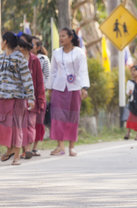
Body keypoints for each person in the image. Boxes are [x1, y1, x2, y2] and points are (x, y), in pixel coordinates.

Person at [0, 31, 35, 166]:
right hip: (3, 98)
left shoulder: (19, 58)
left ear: (5, 42)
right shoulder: (1, 58)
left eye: (2, 41)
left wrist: (30, 98)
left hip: (17, 98)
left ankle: (16, 156)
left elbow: (27, 78)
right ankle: (9, 150)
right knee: (1, 126)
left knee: (16, 127)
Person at [49, 28, 89, 156]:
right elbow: (53, 71)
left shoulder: (79, 53)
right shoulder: (56, 53)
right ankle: (60, 146)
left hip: (74, 88)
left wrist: (84, 87)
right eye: (60, 36)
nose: (60, 38)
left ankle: (72, 146)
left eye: (63, 36)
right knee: (58, 117)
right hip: (59, 88)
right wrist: (49, 87)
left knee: (73, 116)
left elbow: (83, 70)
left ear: (71, 37)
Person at [18, 33, 45, 159]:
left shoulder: (35, 60)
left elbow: (40, 82)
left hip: (32, 98)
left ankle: (27, 149)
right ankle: (25, 149)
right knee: (21, 124)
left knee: (30, 124)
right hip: (18, 97)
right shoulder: (16, 59)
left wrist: (40, 99)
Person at [31, 36, 51, 156]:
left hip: (39, 94)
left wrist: (44, 91)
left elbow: (48, 76)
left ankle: (34, 147)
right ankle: (25, 148)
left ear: (38, 47)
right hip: (26, 94)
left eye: (32, 44)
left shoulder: (43, 59)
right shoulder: (24, 58)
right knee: (28, 122)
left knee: (38, 121)